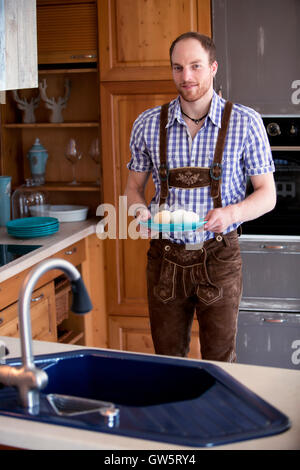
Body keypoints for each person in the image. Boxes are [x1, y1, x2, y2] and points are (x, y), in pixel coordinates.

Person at [124, 32, 276, 362]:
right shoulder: (148, 124)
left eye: (195, 66)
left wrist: (231, 213)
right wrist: (139, 212)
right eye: (178, 68)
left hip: (219, 257)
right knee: (168, 361)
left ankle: (220, 415)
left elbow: (268, 196)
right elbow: (133, 188)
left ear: (213, 67)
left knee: (221, 361)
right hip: (164, 259)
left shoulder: (245, 122)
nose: (187, 76)